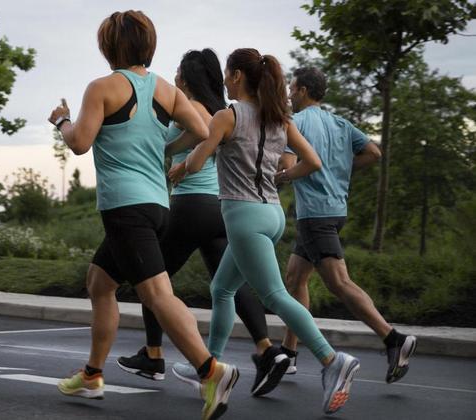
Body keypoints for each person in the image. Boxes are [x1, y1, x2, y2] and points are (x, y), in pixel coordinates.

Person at [48, 11, 238, 419]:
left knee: (155, 294)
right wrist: (165, 150)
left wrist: (61, 120)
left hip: (125, 208)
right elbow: (203, 131)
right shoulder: (166, 90)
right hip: (157, 204)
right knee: (100, 282)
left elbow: (80, 143)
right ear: (147, 46)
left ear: (108, 46)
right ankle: (93, 375)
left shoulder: (102, 87)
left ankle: (211, 371)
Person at [178, 48, 360, 415]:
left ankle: (332, 361)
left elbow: (198, 161)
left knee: (275, 295)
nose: (226, 80)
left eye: (229, 74)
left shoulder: (227, 116)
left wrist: (176, 169)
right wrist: (281, 177)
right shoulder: (280, 117)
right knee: (222, 288)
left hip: (244, 217)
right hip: (273, 215)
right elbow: (312, 162)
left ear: (237, 77)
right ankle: (210, 366)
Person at [116, 48, 282, 398]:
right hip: (220, 209)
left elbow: (182, 141)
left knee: (152, 279)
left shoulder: (194, 110)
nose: (174, 76)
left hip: (191, 206)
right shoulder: (220, 110)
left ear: (187, 78)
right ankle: (266, 349)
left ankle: (153, 354)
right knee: (232, 285)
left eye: (178, 71)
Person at [278, 66, 417, 383]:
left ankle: (393, 337)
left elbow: (286, 166)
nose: (288, 94)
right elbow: (373, 152)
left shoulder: (296, 124)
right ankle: (289, 352)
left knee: (339, 283)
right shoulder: (340, 123)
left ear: (302, 91)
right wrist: (340, 169)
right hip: (335, 210)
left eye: (291, 88)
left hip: (315, 214)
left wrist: (278, 176)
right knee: (295, 277)